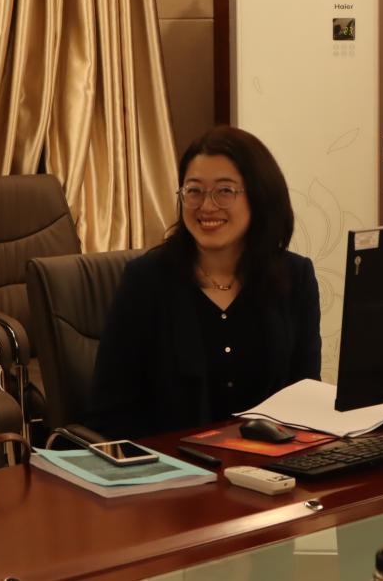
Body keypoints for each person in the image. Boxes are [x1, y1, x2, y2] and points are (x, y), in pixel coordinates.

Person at [88, 126, 321, 439]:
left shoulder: (295, 277)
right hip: (172, 461)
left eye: (225, 191)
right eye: (194, 191)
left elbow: (305, 396)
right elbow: (109, 411)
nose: (207, 206)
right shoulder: (145, 281)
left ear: (259, 195)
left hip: (275, 461)